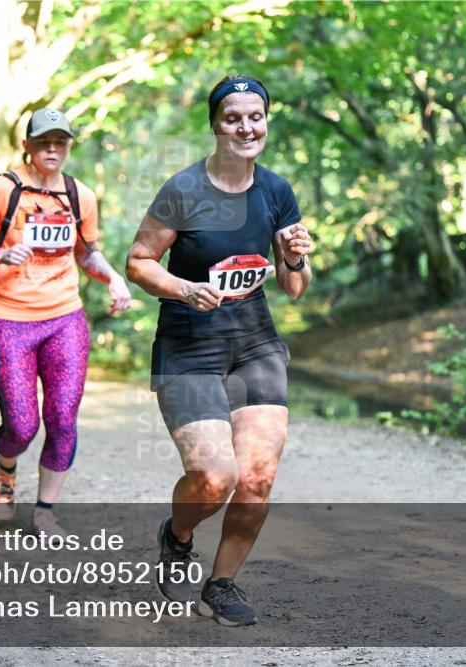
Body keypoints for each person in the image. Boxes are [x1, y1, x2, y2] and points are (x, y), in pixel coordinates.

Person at [125, 75, 314, 626]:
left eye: (256, 116)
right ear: (215, 124)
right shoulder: (183, 190)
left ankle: (222, 583)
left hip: (255, 343)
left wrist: (297, 256)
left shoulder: (276, 191)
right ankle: (178, 533)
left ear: (266, 121)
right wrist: (185, 288)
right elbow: (138, 262)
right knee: (214, 477)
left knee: (256, 478)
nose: (246, 127)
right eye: (233, 117)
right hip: (189, 345)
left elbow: (294, 287)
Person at [0, 108, 132, 537]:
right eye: (44, 142)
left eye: (61, 142)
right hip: (8, 318)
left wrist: (114, 278)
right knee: (21, 424)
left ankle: (45, 508)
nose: (52, 149)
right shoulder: (2, 189)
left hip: (63, 317)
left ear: (69, 146)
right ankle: (6, 467)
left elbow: (86, 252)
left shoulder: (79, 195)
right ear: (27, 146)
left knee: (63, 418)